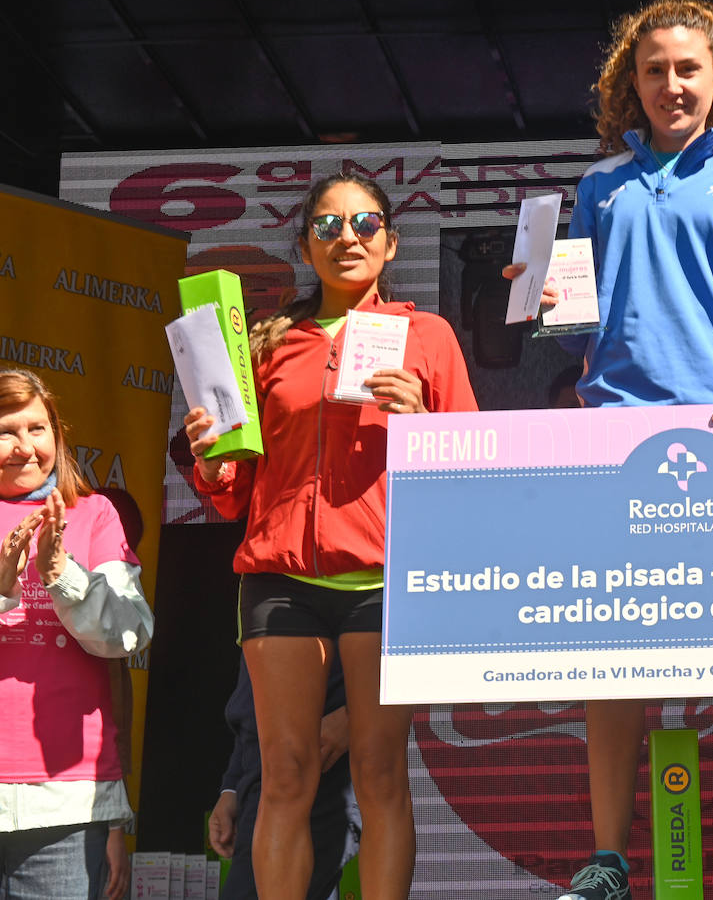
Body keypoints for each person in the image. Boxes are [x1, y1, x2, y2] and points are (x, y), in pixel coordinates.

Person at [504, 0, 713, 900]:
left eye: (688, 68)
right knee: (614, 652)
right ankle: (607, 858)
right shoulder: (601, 186)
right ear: (628, 84)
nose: (671, 84)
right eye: (654, 69)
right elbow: (577, 332)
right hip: (619, 431)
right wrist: (543, 301)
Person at [185, 172, 478, 900]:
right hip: (278, 579)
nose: (348, 237)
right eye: (328, 226)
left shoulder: (428, 337)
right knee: (285, 771)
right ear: (306, 246)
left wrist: (423, 424)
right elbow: (236, 494)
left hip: (384, 580)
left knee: (379, 772)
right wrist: (211, 458)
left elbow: (475, 468)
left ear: (390, 241)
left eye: (365, 224)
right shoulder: (269, 343)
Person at [0, 368, 154, 900]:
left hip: (64, 799)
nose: (24, 447)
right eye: (6, 431)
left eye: (37, 428)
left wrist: (62, 574)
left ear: (57, 434)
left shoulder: (92, 514)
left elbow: (129, 634)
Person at [209, 655, 359, 900]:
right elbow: (253, 690)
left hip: (322, 766)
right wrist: (232, 787)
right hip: (262, 776)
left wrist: (354, 715)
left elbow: (402, 642)